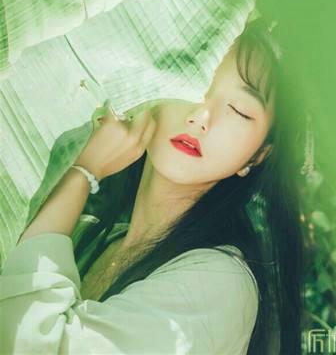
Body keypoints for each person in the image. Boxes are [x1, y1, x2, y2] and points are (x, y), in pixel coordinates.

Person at [0, 18, 305, 354]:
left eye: (238, 109)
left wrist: (83, 172)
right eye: (197, 79)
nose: (200, 116)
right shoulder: (96, 234)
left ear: (258, 156)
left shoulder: (221, 282)